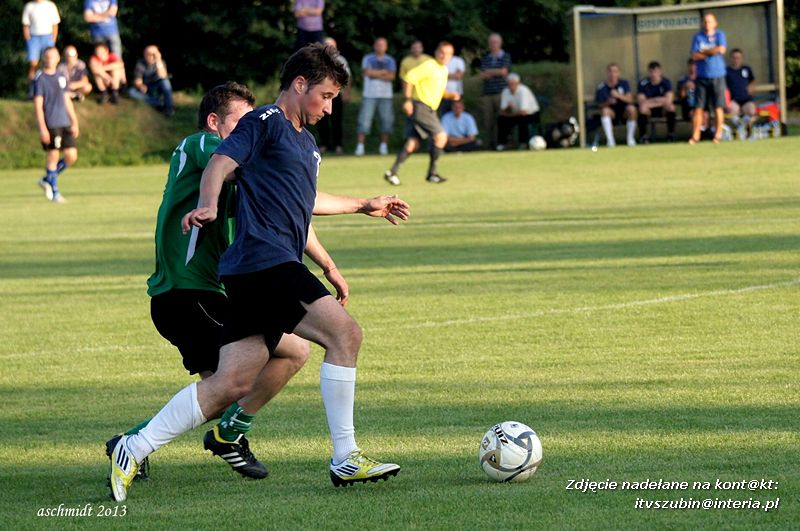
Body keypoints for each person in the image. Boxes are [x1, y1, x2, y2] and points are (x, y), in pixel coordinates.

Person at [108, 44, 410, 502]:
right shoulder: (263, 122)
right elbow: (220, 162)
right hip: (265, 263)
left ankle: (133, 447)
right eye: (325, 96)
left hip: (251, 273)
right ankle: (346, 456)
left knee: (231, 383)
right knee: (345, 335)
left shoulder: (305, 144)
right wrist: (208, 205)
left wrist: (361, 206)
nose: (329, 108)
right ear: (300, 84)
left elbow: (303, 204)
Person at [384, 41, 459, 185]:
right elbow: (409, 78)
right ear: (437, 52)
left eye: (448, 53)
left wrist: (451, 96)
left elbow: (439, 90)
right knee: (441, 136)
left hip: (428, 108)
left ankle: (392, 172)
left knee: (413, 144)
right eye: (442, 52)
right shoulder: (429, 65)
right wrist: (407, 100)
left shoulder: (443, 70)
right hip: (421, 107)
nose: (444, 55)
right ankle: (432, 174)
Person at [33, 46, 78, 204]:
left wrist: (74, 121)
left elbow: (67, 100)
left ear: (59, 58)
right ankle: (55, 192)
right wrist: (42, 128)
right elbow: (38, 105)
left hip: (64, 122)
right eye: (48, 56)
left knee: (71, 155)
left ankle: (47, 179)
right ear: (44, 58)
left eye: (53, 56)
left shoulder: (61, 77)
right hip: (51, 123)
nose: (51, 59)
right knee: (53, 156)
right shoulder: (40, 78)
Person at [689, 12, 727, 144]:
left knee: (718, 107)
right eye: (705, 22)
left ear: (715, 23)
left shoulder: (720, 35)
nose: (707, 24)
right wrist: (712, 52)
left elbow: (721, 50)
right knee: (698, 108)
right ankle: (695, 135)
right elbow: (694, 56)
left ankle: (718, 135)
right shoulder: (698, 37)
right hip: (702, 77)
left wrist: (703, 52)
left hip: (717, 76)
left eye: (710, 21)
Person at [355, 37, 396, 156]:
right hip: (369, 95)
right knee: (364, 121)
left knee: (386, 121)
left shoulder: (390, 60)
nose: (380, 47)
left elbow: (392, 76)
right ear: (374, 46)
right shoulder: (368, 58)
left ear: (386, 47)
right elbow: (367, 73)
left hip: (386, 96)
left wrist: (375, 74)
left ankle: (384, 146)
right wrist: (383, 73)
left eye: (383, 45)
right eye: (378, 44)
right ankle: (360, 147)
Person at [316, 37, 350, 154]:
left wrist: (346, 92)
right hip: (321, 95)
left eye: (332, 46)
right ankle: (324, 144)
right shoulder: (318, 60)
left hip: (336, 95)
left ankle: (338, 145)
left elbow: (347, 78)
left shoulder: (341, 60)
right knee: (321, 120)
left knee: (337, 121)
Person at [479, 33, 512, 149]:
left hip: (501, 93)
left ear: (500, 43)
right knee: (488, 121)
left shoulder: (505, 56)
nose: (493, 45)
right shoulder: (486, 58)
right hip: (487, 93)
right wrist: (495, 72)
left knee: (501, 119)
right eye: (491, 42)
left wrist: (490, 72)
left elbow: (504, 72)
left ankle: (502, 143)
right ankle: (489, 145)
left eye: (495, 42)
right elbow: (482, 75)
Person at [595, 63, 637, 147]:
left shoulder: (624, 83)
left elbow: (630, 99)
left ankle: (630, 139)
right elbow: (599, 105)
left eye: (615, 71)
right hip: (612, 114)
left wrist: (619, 96)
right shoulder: (601, 87)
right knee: (605, 111)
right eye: (610, 71)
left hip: (624, 112)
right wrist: (608, 102)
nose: (613, 74)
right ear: (607, 73)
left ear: (618, 73)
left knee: (632, 109)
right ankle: (610, 141)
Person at [496, 73, 540, 150]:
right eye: (510, 84)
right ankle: (502, 144)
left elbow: (524, 112)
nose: (511, 86)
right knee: (501, 120)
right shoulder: (505, 92)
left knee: (523, 119)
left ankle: (523, 143)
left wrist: (509, 114)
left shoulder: (523, 91)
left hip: (531, 114)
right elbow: (503, 111)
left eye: (513, 84)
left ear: (518, 83)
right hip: (514, 115)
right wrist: (508, 108)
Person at [22, 0, 60, 88]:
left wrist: (52, 40)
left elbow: (55, 25)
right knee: (33, 64)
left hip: (47, 37)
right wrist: (28, 40)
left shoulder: (51, 5)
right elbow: (26, 25)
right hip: (34, 38)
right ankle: (32, 90)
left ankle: (47, 89)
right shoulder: (29, 6)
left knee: (49, 63)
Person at [636, 61, 676, 143]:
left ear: (660, 72)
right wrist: (660, 100)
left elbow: (669, 99)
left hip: (662, 109)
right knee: (642, 108)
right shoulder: (643, 83)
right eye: (651, 72)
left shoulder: (666, 82)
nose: (653, 74)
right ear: (648, 72)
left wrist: (651, 101)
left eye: (656, 71)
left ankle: (671, 134)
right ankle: (643, 136)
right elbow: (641, 101)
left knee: (671, 107)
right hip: (649, 111)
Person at [129, 45, 174, 116]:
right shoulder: (140, 64)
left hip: (158, 87)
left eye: (154, 54)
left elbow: (163, 76)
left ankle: (168, 108)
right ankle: (159, 104)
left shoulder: (161, 63)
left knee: (165, 82)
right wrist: (141, 86)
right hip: (147, 88)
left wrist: (158, 61)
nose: (151, 56)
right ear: (145, 54)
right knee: (132, 92)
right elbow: (138, 80)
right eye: (149, 54)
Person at [725, 48, 757, 139]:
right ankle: (741, 131)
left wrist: (751, 86)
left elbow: (753, 80)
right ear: (731, 58)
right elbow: (723, 88)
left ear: (741, 58)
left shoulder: (746, 69)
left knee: (751, 111)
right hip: (733, 100)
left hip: (746, 99)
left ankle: (747, 131)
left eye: (738, 58)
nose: (736, 60)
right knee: (733, 111)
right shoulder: (726, 71)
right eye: (734, 58)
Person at [440, 48, 465, 116]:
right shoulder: (439, 61)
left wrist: (444, 75)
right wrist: (453, 75)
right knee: (444, 116)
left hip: (457, 94)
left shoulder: (458, 61)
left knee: (458, 115)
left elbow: (458, 76)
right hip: (443, 95)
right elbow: (437, 76)